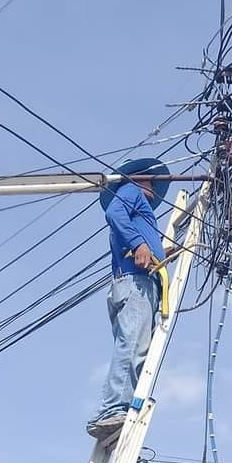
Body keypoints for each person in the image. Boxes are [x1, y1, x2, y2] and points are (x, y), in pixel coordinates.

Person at [88, 159, 172, 444]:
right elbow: (114, 212)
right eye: (147, 179)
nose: (151, 184)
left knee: (136, 348)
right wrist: (139, 244)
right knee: (133, 344)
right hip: (135, 282)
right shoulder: (129, 192)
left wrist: (160, 249)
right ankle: (112, 409)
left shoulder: (142, 215)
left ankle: (120, 407)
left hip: (139, 283)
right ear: (135, 179)